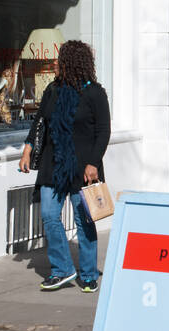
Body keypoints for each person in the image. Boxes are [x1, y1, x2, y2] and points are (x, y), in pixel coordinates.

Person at [18, 40, 111, 292]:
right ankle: (62, 269)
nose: (55, 64)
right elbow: (40, 122)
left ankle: (89, 274)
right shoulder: (53, 90)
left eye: (60, 60)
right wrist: (27, 149)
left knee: (84, 220)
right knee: (49, 215)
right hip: (54, 164)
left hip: (84, 168)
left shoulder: (94, 93)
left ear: (73, 63)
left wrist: (93, 163)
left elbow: (103, 131)